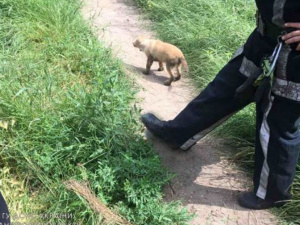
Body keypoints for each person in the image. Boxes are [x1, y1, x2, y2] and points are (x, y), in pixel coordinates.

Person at [141, 0, 300, 210]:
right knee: (224, 89)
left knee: (277, 121)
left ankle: (271, 195)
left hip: (294, 55)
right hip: (263, 39)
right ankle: (176, 133)